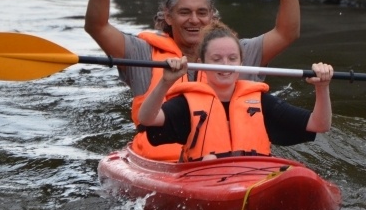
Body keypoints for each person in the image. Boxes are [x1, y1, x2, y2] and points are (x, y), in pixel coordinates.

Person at [85, 0, 304, 161]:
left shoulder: (236, 53)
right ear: (168, 17)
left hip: (229, 162)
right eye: (184, 12)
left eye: (202, 13)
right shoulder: (142, 53)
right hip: (161, 163)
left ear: (213, 18)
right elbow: (98, 27)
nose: (194, 20)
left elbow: (287, 33)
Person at [137, 23, 333, 162]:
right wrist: (165, 82)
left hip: (252, 177)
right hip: (202, 176)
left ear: (241, 63)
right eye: (216, 59)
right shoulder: (187, 104)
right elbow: (146, 119)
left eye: (232, 58)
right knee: (209, 160)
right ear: (202, 64)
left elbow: (320, 124)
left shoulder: (260, 102)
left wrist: (322, 87)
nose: (225, 65)